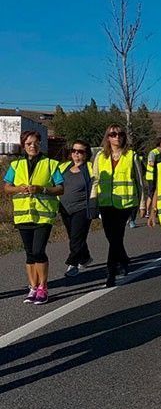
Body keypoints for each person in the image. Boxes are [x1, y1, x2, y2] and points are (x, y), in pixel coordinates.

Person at [3, 130, 64, 305]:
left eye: (36, 143)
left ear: (40, 144)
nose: (32, 146)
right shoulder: (15, 165)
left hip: (43, 215)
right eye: (29, 143)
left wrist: (42, 189)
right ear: (23, 146)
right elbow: (7, 187)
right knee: (29, 254)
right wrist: (18, 188)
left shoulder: (51, 164)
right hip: (23, 216)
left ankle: (43, 288)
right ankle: (32, 287)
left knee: (38, 251)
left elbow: (60, 188)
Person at [91, 124, 146, 287]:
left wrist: (142, 204)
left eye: (120, 134)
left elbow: (140, 182)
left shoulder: (131, 156)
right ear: (108, 137)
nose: (117, 137)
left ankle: (111, 272)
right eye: (113, 134)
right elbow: (95, 180)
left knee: (116, 236)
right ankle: (123, 259)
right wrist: (93, 201)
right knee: (111, 236)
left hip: (125, 203)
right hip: (106, 203)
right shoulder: (100, 156)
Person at [58, 139, 96, 277]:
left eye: (80, 151)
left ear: (86, 154)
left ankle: (72, 263)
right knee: (75, 237)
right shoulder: (64, 167)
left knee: (76, 237)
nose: (76, 154)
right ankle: (85, 257)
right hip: (65, 208)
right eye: (73, 150)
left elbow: (96, 187)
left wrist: (94, 206)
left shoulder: (91, 168)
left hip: (82, 208)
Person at [145, 137, 161, 217]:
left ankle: (155, 210)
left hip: (159, 176)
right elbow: (151, 163)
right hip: (151, 176)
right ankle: (147, 211)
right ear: (159, 145)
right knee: (151, 193)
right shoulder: (153, 152)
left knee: (157, 193)